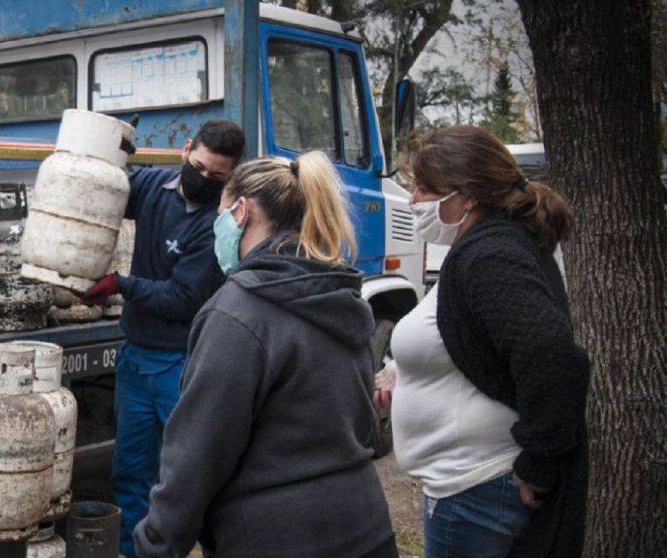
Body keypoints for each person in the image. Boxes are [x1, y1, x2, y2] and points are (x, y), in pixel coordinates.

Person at [132, 151, 399, 558]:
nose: (214, 225)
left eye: (219, 212)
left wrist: (156, 545)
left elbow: (197, 455)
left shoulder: (238, 312)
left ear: (240, 212)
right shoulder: (342, 295)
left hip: (274, 537)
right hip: (365, 528)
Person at [373, 125, 590, 558]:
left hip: (478, 486)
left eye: (423, 189)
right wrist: (407, 372)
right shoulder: (480, 245)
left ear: (467, 196)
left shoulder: (492, 255)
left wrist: (538, 460)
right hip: (471, 486)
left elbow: (554, 357)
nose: (411, 200)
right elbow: (476, 339)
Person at [80, 120, 246, 558]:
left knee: (189, 479)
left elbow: (181, 297)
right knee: (130, 473)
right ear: (186, 149)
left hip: (182, 365)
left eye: (217, 176)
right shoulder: (154, 184)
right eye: (199, 166)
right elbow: (106, 192)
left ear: (232, 175)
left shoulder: (218, 227)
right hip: (136, 359)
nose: (204, 179)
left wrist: (119, 283)